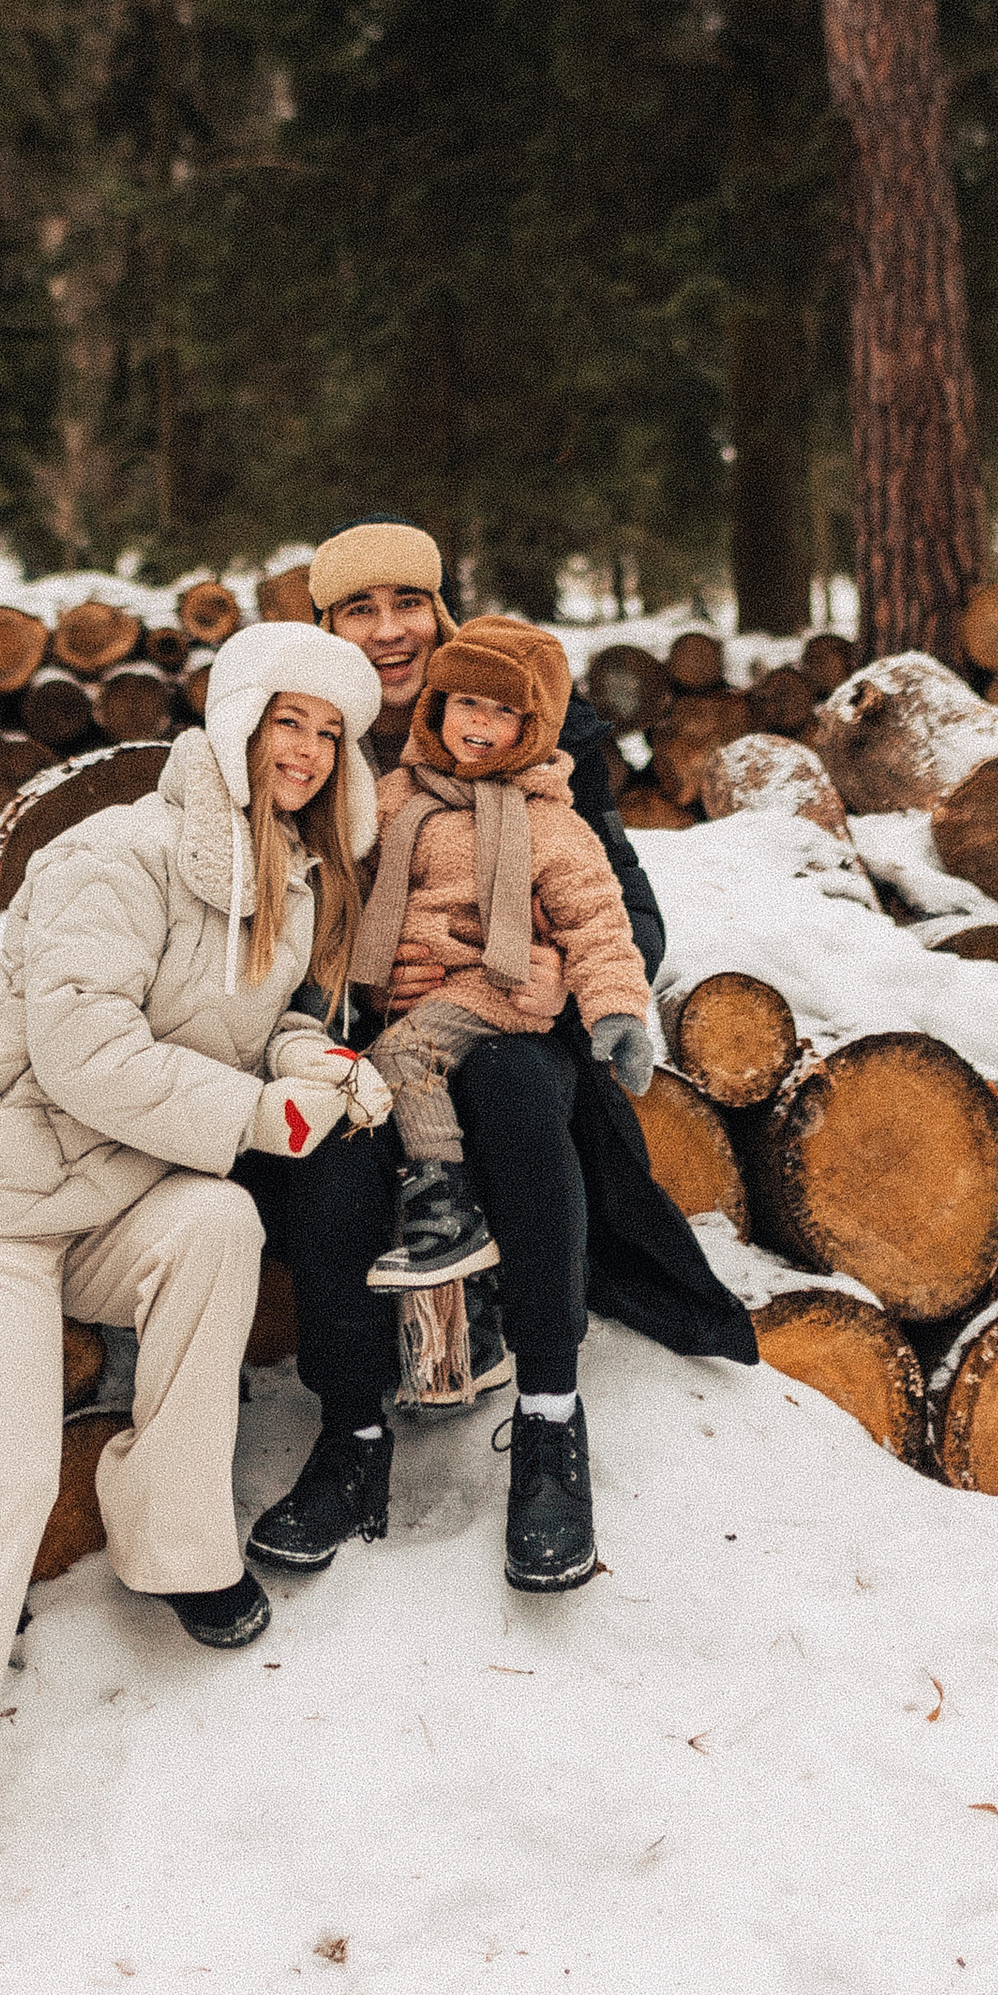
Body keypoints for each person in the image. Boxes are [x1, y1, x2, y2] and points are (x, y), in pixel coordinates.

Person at [0, 620, 390, 1964]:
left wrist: (321, 1066)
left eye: (327, 736)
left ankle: (171, 1535)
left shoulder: (292, 879)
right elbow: (84, 1055)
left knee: (219, 1231)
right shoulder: (113, 855)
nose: (303, 754)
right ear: (237, 728)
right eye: (284, 725)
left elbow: (270, 1017)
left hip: (114, 1203)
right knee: (3, 1483)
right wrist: (264, 1114)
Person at [246, 523, 755, 1601]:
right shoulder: (307, 730)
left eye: (408, 603)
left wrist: (526, 956)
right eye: (357, 610)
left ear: (444, 610)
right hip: (361, 1016)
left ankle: (548, 1420)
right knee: (335, 1145)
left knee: (518, 1095)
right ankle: (349, 1435)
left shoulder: (532, 711)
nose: (389, 631)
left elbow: (625, 911)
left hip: (515, 1018)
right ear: (324, 627)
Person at [357, 615, 655, 1290]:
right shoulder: (396, 797)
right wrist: (362, 975)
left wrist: (615, 1013)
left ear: (535, 726)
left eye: (504, 710)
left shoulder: (549, 820)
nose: (480, 722)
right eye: (467, 702)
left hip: (494, 988)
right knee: (379, 1077)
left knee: (401, 1058)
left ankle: (444, 1208)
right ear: (440, 705)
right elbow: (353, 885)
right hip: (413, 989)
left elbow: (599, 921)